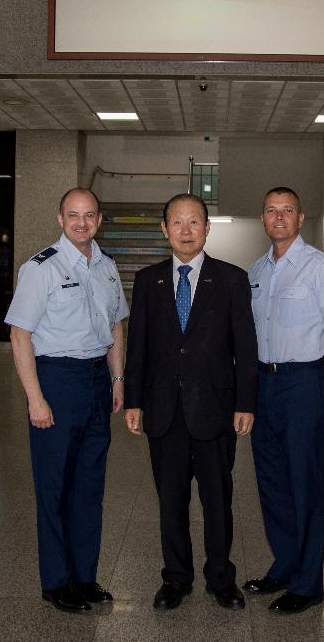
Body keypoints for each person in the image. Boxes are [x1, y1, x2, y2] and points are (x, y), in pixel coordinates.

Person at [124, 193, 258, 611]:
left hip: (216, 411)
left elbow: (246, 347)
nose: (185, 230)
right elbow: (138, 347)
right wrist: (133, 400)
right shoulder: (148, 281)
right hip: (164, 411)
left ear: (207, 228)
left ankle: (221, 578)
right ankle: (175, 579)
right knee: (171, 501)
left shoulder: (232, 279)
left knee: (217, 501)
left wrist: (245, 402)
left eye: (194, 222)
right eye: (177, 223)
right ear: (164, 229)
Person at [4, 188, 129, 613]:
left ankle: (84, 576)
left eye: (89, 215)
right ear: (60, 218)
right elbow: (20, 335)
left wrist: (117, 378)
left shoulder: (107, 266)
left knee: (89, 486)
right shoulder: (41, 268)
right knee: (55, 486)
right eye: (73, 215)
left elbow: (115, 327)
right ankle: (56, 581)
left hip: (97, 381)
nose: (81, 223)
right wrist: (35, 399)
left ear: (99, 219)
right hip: (56, 381)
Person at [243, 187, 324, 614]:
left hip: (304, 384)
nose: (279, 216)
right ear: (262, 218)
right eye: (271, 210)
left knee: (305, 485)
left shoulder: (323, 269)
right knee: (271, 482)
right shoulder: (255, 271)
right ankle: (285, 565)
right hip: (264, 385)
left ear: (300, 217)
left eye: (287, 210)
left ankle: (308, 585)